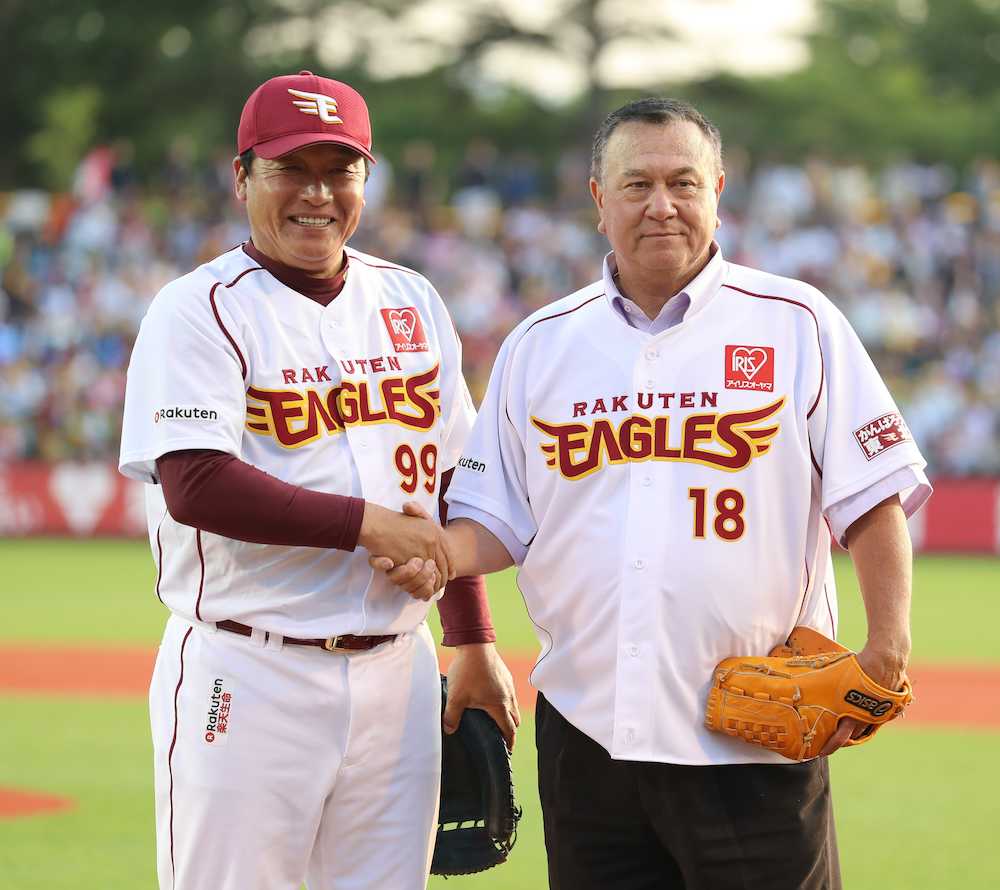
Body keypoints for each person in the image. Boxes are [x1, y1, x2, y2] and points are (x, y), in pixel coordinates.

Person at [375, 98, 931, 889]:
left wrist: (889, 643)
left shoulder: (797, 322)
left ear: (718, 192)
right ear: (600, 201)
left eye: (683, 182)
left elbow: (872, 498)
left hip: (754, 736)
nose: (661, 205)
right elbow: (496, 520)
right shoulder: (542, 344)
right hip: (588, 739)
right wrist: (432, 550)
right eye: (637, 184)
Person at [118, 70, 518, 890]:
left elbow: (446, 483)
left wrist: (471, 638)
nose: (317, 194)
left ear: (367, 179)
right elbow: (197, 483)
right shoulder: (199, 309)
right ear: (241, 178)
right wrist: (371, 526)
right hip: (249, 670)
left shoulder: (410, 297)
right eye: (290, 168)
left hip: (397, 675)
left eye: (339, 170)